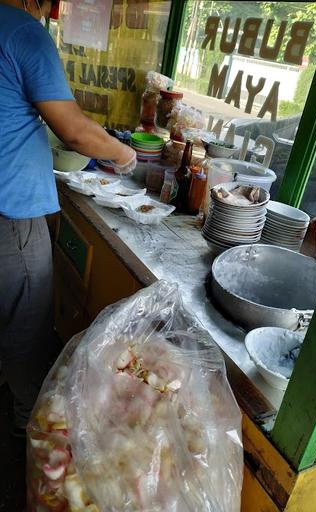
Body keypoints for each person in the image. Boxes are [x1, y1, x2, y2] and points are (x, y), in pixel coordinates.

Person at [0, 0, 137, 436]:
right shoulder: (22, 32)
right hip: (9, 217)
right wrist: (124, 154)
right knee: (27, 334)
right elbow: (74, 131)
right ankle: (31, 438)